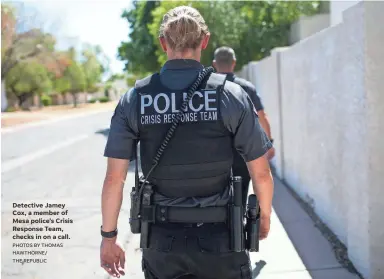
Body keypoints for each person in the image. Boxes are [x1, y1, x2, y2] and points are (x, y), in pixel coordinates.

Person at [100, 6, 274, 279]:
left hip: (161, 245)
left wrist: (109, 238)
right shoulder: (231, 95)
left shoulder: (135, 98)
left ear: (162, 43)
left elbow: (114, 178)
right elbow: (261, 172)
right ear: (204, 41)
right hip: (222, 241)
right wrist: (262, 217)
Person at [213, 46, 275, 209]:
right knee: (240, 196)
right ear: (234, 63)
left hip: (214, 156)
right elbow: (262, 117)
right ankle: (237, 227)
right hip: (242, 156)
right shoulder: (246, 88)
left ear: (214, 64)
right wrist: (269, 143)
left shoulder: (206, 89)